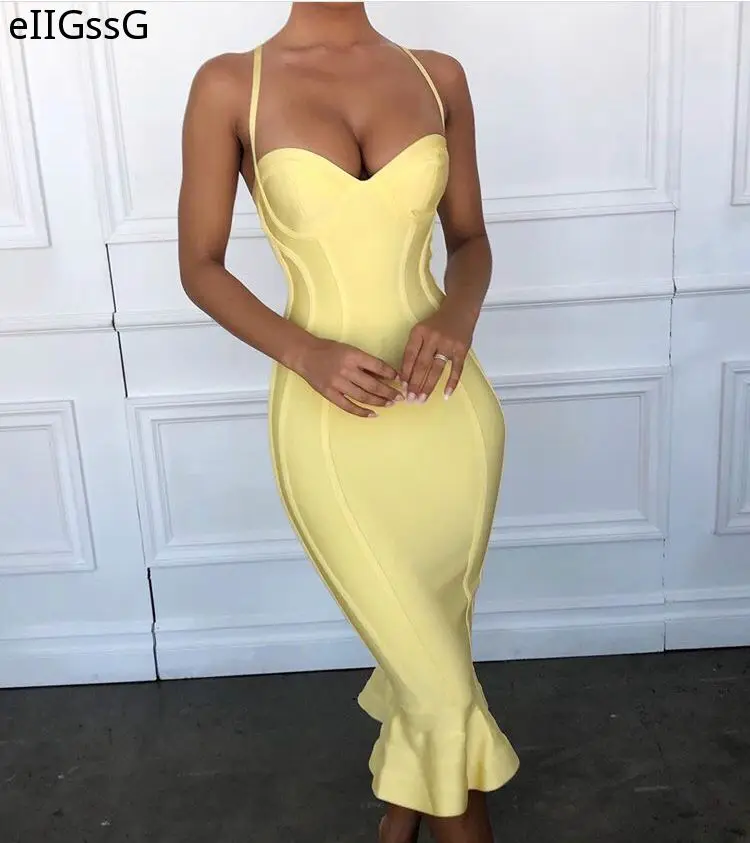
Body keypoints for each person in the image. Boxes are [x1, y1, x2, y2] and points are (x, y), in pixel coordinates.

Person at [177, 3, 520, 841]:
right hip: (328, 422)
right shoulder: (230, 85)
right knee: (438, 679)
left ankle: (400, 818)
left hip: (447, 414)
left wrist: (458, 317)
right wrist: (304, 352)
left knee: (434, 649)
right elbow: (199, 265)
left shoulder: (439, 75)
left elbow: (470, 239)